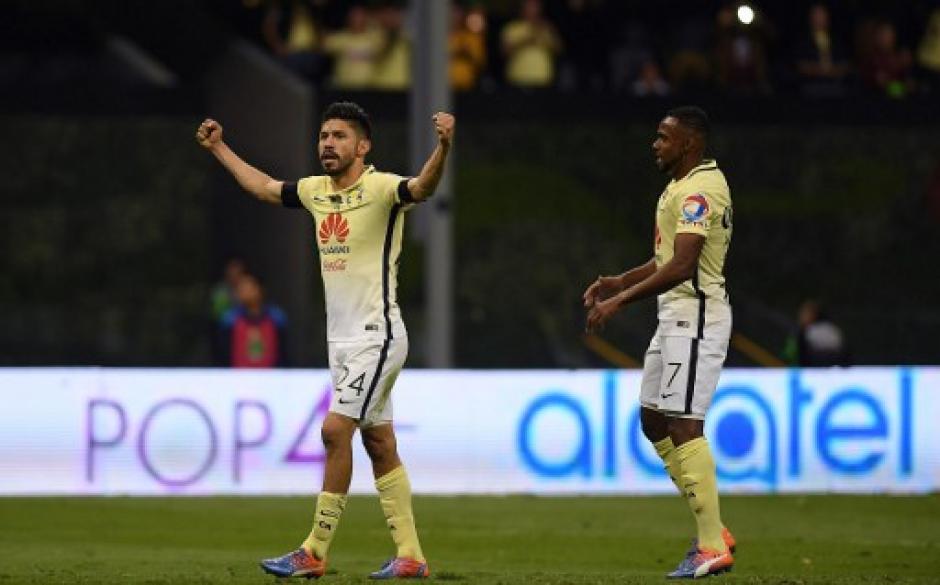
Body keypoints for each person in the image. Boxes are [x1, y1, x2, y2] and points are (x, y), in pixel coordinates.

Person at [195, 101, 455, 579]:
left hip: (377, 335)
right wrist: (219, 148)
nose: (327, 144)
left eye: (338, 136)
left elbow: (422, 187)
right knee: (379, 443)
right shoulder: (315, 191)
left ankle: (313, 550)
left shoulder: (381, 188)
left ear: (363, 145)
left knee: (335, 432)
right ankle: (411, 555)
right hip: (342, 342)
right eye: (323, 136)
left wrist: (443, 146)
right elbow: (264, 187)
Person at [583, 106, 736, 579]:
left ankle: (711, 544)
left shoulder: (699, 191)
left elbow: (683, 266)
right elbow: (664, 259)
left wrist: (620, 302)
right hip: (673, 317)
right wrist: (617, 281)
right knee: (653, 420)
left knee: (685, 424)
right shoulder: (679, 186)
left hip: (696, 317)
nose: (656, 143)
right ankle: (714, 529)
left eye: (664, 137)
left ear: (689, 143)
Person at [219, 272, 289, 368]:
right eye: (241, 288)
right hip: (238, 378)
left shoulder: (276, 318)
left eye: (248, 288)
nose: (243, 292)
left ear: (260, 289)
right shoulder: (230, 320)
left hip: (271, 378)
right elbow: (224, 355)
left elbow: (283, 354)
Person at [501, 0, 562, 88]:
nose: (533, 10)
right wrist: (526, 41)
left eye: (535, 6)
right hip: (518, 79)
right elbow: (504, 52)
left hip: (544, 80)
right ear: (522, 8)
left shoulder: (546, 28)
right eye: (529, 6)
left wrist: (552, 32)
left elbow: (559, 49)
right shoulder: (512, 27)